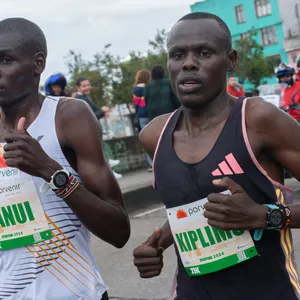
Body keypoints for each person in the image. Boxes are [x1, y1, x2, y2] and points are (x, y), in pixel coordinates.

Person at [133, 12, 300, 300]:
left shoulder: (258, 121)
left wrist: (266, 216)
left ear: (230, 60)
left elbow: (262, 215)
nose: (188, 63)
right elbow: (190, 209)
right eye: (177, 55)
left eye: (204, 52)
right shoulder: (155, 136)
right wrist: (157, 244)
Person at [0, 17, 130, 300]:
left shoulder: (68, 117)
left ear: (37, 64)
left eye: (5, 60)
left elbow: (119, 231)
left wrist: (49, 170)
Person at [74, 77, 122, 179]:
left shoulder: (85, 98)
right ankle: (109, 173)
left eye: (88, 85)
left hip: (94, 130)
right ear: (78, 87)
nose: (87, 87)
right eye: (84, 86)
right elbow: (90, 116)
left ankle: (109, 169)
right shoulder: (80, 100)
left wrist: (103, 112)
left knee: (101, 152)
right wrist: (103, 111)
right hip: (89, 131)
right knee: (98, 154)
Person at [133, 69, 152, 170]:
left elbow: (137, 105)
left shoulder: (136, 90)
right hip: (152, 114)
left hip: (142, 116)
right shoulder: (150, 87)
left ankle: (151, 164)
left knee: (146, 140)